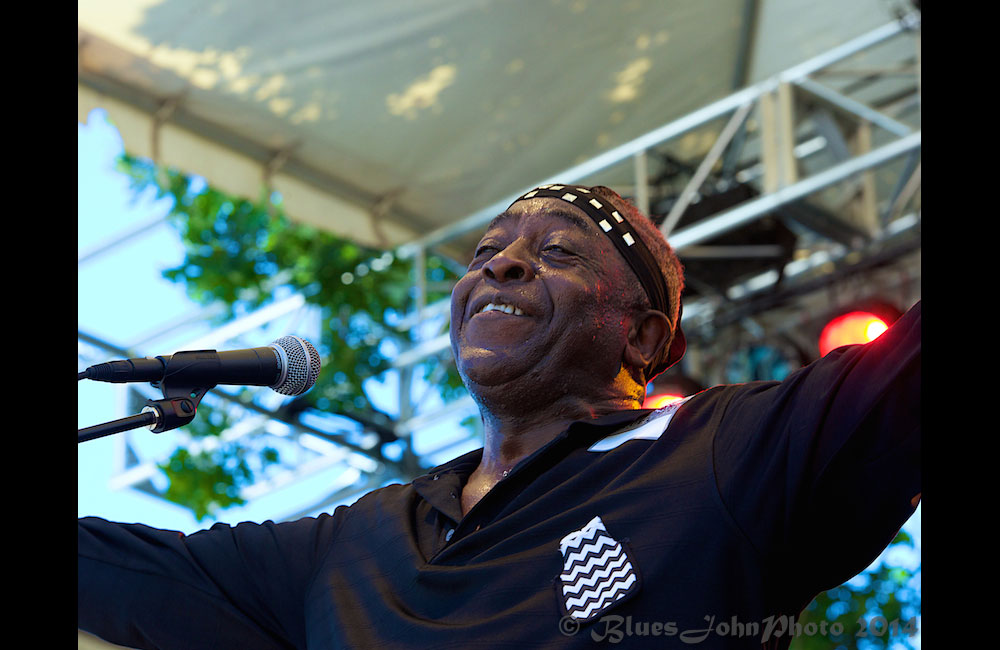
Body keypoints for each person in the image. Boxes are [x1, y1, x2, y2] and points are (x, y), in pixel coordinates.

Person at [79, 184, 921, 649]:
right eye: (486, 254)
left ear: (645, 335)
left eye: (556, 253)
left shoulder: (723, 450)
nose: (503, 266)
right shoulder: (355, 544)